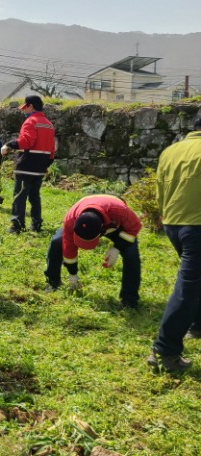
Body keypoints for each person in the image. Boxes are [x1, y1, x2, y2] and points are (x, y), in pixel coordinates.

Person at [148, 112, 201, 373]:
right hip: (197, 225)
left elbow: (160, 189)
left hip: (173, 224)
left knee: (194, 280)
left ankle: (197, 325)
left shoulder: (171, 151)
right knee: (189, 285)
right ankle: (165, 349)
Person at [44, 195, 142, 306]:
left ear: (101, 229)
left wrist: (117, 248)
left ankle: (129, 299)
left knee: (131, 253)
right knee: (57, 242)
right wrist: (73, 274)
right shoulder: (71, 220)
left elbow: (135, 226)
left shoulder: (120, 211)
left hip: (112, 220)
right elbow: (68, 247)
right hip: (88, 207)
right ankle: (52, 283)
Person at [1, 95, 55, 233]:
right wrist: (47, 164)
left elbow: (26, 141)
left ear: (30, 106)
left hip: (26, 165)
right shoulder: (49, 124)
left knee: (20, 196)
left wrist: (9, 145)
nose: (24, 111)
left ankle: (17, 225)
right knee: (35, 197)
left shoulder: (30, 121)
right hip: (41, 166)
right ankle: (36, 224)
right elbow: (52, 149)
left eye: (25, 107)